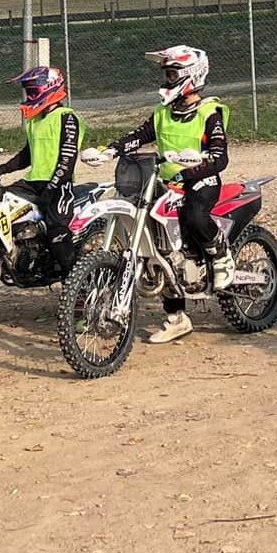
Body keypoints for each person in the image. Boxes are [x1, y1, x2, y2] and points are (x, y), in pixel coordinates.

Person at [99, 46, 230, 344]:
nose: (167, 80)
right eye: (167, 74)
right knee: (161, 248)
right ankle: (176, 318)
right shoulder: (162, 112)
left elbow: (220, 157)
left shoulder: (209, 112)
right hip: (165, 182)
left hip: (200, 180)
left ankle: (220, 253)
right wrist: (110, 150)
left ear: (191, 76)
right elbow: (139, 135)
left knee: (195, 216)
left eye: (172, 74)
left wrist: (196, 163)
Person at [0, 66, 83, 253]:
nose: (29, 96)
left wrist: (51, 189)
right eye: (28, 92)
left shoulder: (66, 118)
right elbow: (28, 154)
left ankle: (70, 269)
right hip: (33, 182)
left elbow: (67, 160)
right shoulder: (35, 121)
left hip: (59, 185)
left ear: (49, 87)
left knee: (57, 235)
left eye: (33, 92)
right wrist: (1, 169)